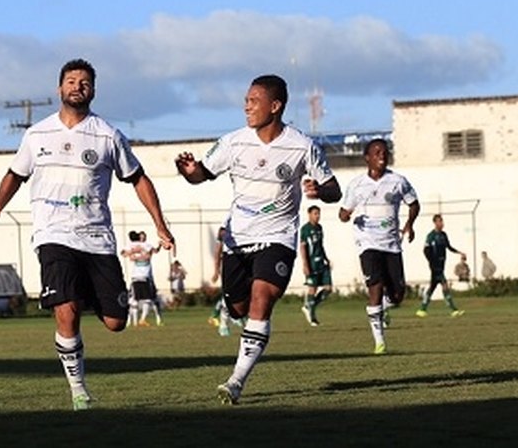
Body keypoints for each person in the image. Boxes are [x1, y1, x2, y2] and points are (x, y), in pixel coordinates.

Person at [0, 58, 174, 411]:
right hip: (53, 235)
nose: (77, 86)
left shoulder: (107, 135)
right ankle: (79, 390)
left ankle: (84, 293)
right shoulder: (36, 134)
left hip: (98, 239)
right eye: (71, 80)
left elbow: (139, 179)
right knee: (66, 312)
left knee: (116, 323)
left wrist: (160, 224)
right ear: (59, 88)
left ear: (93, 90)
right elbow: (15, 175)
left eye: (84, 82)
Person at [175, 73, 340, 405]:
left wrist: (320, 191)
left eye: (253, 100)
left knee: (261, 299)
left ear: (275, 106)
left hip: (278, 238)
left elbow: (335, 189)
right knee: (239, 308)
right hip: (238, 240)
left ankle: (236, 381)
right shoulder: (234, 142)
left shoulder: (302, 145)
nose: (246, 106)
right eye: (246, 100)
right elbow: (200, 175)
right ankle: (245, 338)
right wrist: (187, 169)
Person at [339, 138, 419, 356]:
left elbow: (414, 204)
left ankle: (386, 303)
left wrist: (409, 225)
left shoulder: (398, 181)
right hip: (367, 243)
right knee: (374, 286)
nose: (382, 155)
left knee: (398, 295)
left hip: (392, 244)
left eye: (384, 152)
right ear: (367, 158)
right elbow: (342, 213)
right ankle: (379, 342)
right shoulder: (356, 185)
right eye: (377, 152)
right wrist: (346, 215)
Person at [416, 214, 465, 318]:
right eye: (439, 221)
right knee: (444, 285)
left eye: (442, 221)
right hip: (435, 267)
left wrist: (459, 252)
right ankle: (453, 310)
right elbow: (426, 250)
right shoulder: (431, 236)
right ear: (435, 223)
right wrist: (432, 262)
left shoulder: (443, 235)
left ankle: (422, 309)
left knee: (432, 287)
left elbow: (449, 247)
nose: (441, 224)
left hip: (441, 265)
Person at [298, 205, 333, 327]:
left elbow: (320, 245)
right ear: (309, 214)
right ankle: (312, 317)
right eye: (315, 213)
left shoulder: (319, 228)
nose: (317, 216)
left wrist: (326, 258)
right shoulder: (305, 229)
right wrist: (305, 264)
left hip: (321, 262)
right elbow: (303, 247)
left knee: (328, 289)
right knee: (312, 289)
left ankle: (309, 306)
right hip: (311, 263)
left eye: (318, 213)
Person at [121, 230, 162, 327]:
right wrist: (133, 253)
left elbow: (123, 253)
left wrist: (133, 255)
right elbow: (124, 253)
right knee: (144, 299)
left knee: (144, 299)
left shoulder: (142, 245)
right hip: (140, 276)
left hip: (143, 276)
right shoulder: (144, 246)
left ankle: (143, 320)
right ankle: (137, 321)